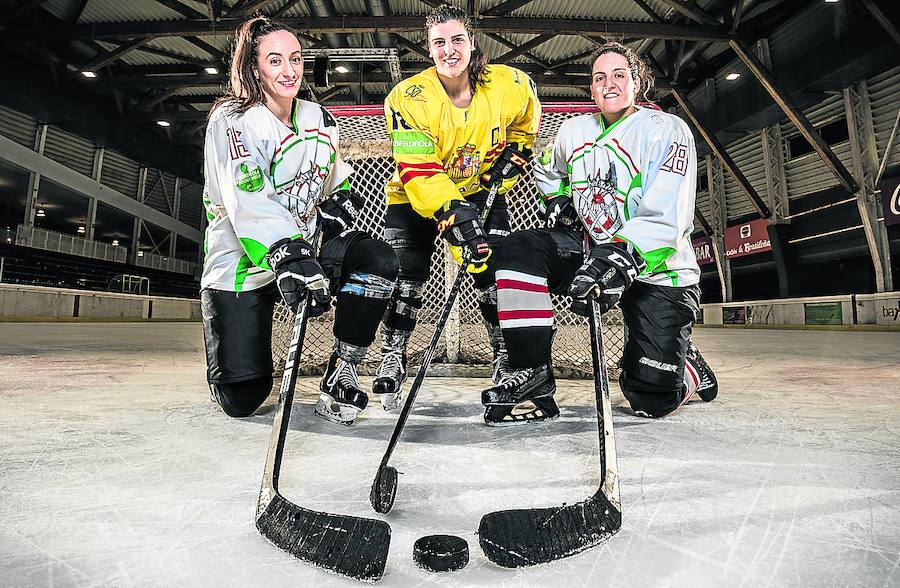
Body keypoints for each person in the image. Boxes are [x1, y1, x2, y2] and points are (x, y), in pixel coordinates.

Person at [484, 42, 718, 425]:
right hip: (593, 252)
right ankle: (531, 373)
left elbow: (667, 215)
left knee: (650, 399)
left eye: (619, 75)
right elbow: (547, 169)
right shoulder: (574, 131)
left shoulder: (666, 131)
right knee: (518, 249)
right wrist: (558, 199)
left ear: (637, 82)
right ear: (591, 89)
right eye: (599, 77)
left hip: (658, 270)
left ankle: (687, 367)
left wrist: (621, 254)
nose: (609, 84)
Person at [200, 17, 399, 425]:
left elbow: (332, 175)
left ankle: (342, 369)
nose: (289, 71)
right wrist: (288, 254)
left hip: (306, 251)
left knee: (377, 259)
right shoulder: (232, 120)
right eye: (275, 60)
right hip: (243, 265)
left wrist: (340, 199)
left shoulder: (319, 117)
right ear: (253, 67)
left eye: (295, 59)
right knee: (243, 398)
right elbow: (247, 199)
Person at [374, 3, 541, 412]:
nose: (449, 50)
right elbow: (418, 167)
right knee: (407, 274)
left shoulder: (511, 84)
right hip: (415, 196)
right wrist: (452, 211)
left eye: (457, 39)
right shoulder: (406, 97)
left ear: (472, 41)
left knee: (493, 271)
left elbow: (527, 118)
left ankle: (505, 356)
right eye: (438, 43)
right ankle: (393, 354)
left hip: (480, 191)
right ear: (428, 49)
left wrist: (517, 151)